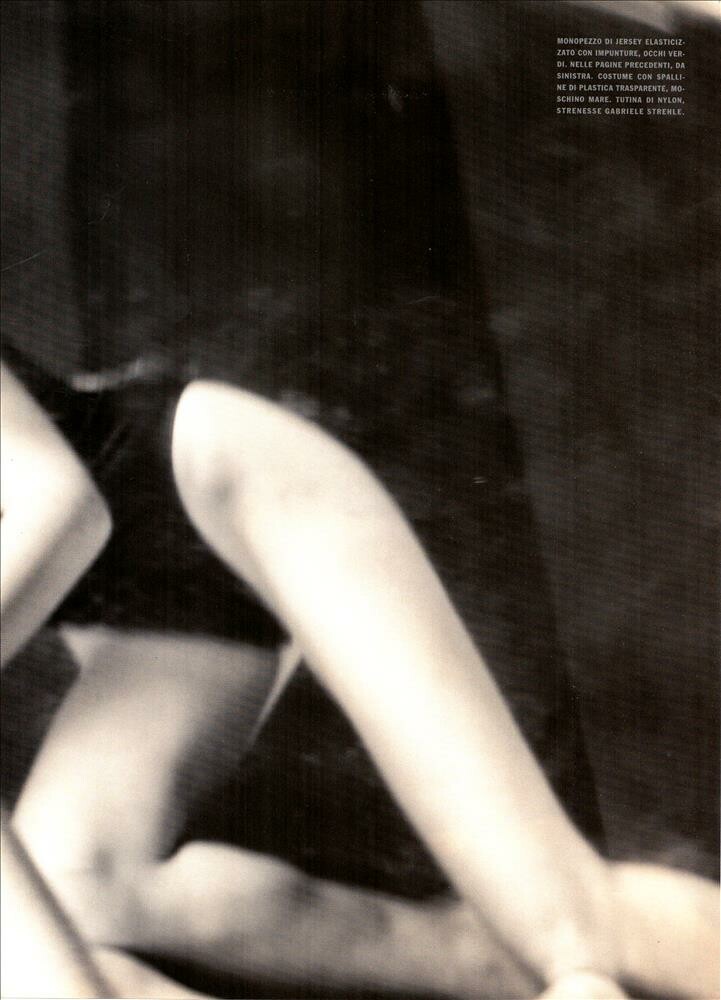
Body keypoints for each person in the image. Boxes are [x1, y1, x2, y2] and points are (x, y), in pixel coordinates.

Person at [2, 354, 718, 999]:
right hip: (140, 604)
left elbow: (61, 501)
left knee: (571, 920)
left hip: (219, 485)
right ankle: (496, 954)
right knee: (78, 893)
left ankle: (554, 936)